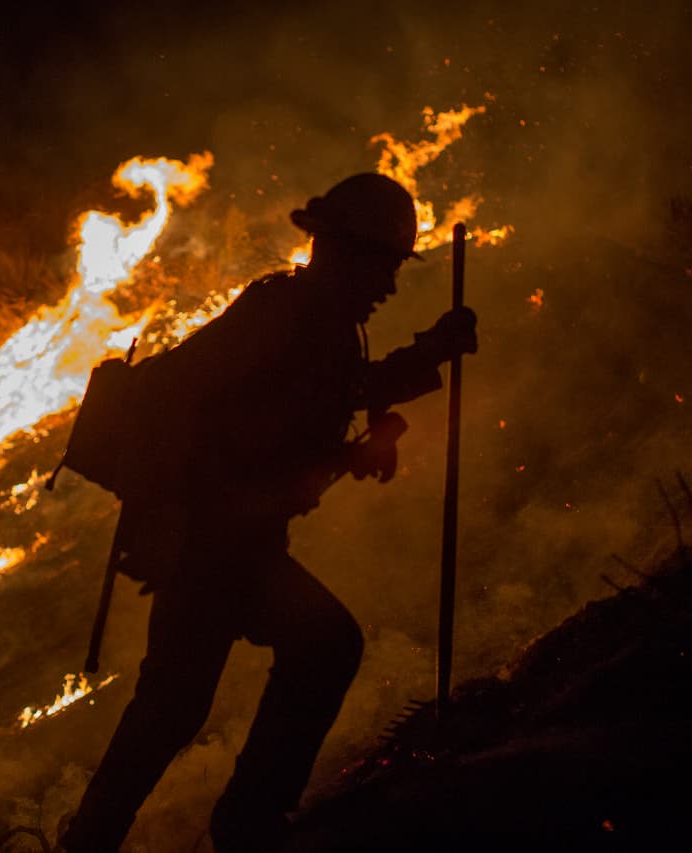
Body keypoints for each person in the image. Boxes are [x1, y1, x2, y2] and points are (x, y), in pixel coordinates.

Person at [61, 174, 477, 852]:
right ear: (343, 252)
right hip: (211, 543)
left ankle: (167, 828)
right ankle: (223, 823)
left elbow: (324, 411)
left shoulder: (327, 328)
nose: (390, 286)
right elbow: (175, 396)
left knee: (189, 698)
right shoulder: (279, 314)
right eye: (384, 267)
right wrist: (163, 520)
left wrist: (422, 363)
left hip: (239, 543)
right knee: (207, 690)